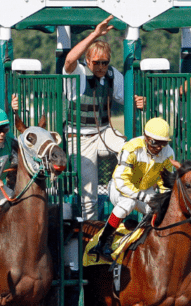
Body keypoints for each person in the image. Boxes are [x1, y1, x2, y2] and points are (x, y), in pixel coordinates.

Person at [63, 16, 146, 220]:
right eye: (97, 62)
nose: (101, 67)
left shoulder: (111, 74)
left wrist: (138, 102)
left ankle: (123, 192)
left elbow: (127, 99)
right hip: (79, 139)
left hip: (103, 133)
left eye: (105, 62)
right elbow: (69, 60)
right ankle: (90, 232)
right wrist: (94, 34)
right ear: (88, 61)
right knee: (88, 195)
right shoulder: (78, 73)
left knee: (133, 151)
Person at [89, 118, 175, 259]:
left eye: (163, 143)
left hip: (145, 189)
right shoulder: (131, 147)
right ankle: (103, 242)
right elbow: (122, 181)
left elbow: (165, 183)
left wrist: (163, 199)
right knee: (127, 203)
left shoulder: (168, 153)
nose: (159, 147)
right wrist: (144, 197)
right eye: (155, 142)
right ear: (146, 138)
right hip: (120, 188)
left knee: (159, 210)